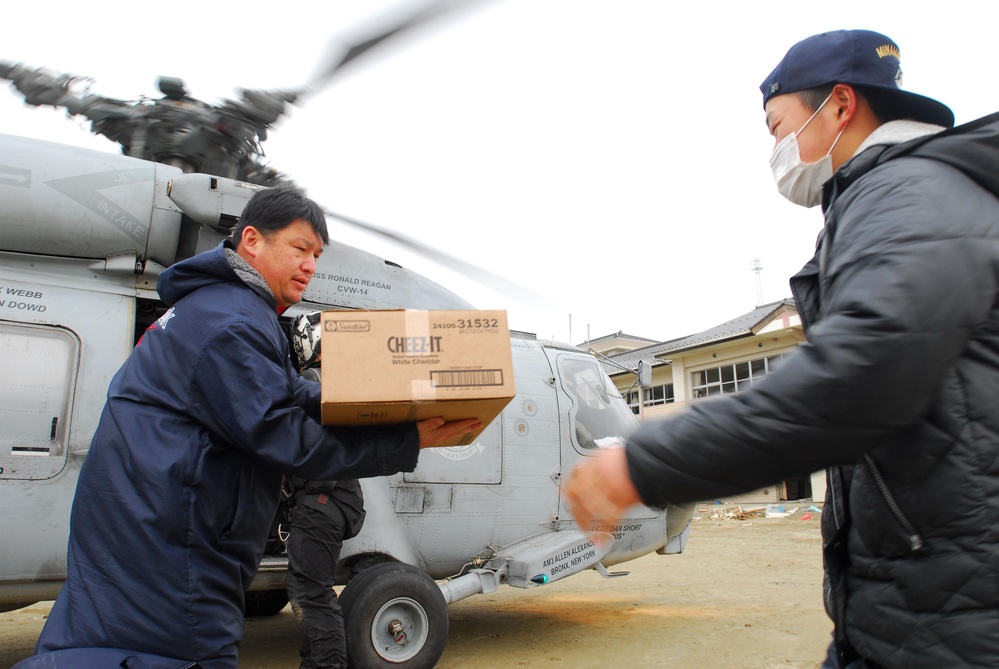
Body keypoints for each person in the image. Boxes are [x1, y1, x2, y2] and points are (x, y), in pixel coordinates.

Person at [563, 29, 999, 669]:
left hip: (952, 618)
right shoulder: (903, 198)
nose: (777, 149)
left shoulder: (906, 196)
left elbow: (858, 378)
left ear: (841, 106)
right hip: (923, 605)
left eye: (778, 126)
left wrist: (642, 461)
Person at [15, 187, 480, 669]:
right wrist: (409, 439)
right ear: (252, 241)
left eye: (317, 256)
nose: (310, 266)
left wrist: (379, 402)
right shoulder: (231, 322)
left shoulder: (223, 310)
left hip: (151, 534)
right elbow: (282, 436)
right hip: (175, 548)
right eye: (300, 249)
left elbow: (286, 395)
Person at [284, 311, 364, 669]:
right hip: (332, 502)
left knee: (313, 595)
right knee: (310, 592)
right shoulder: (339, 383)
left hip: (320, 503)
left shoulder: (314, 384)